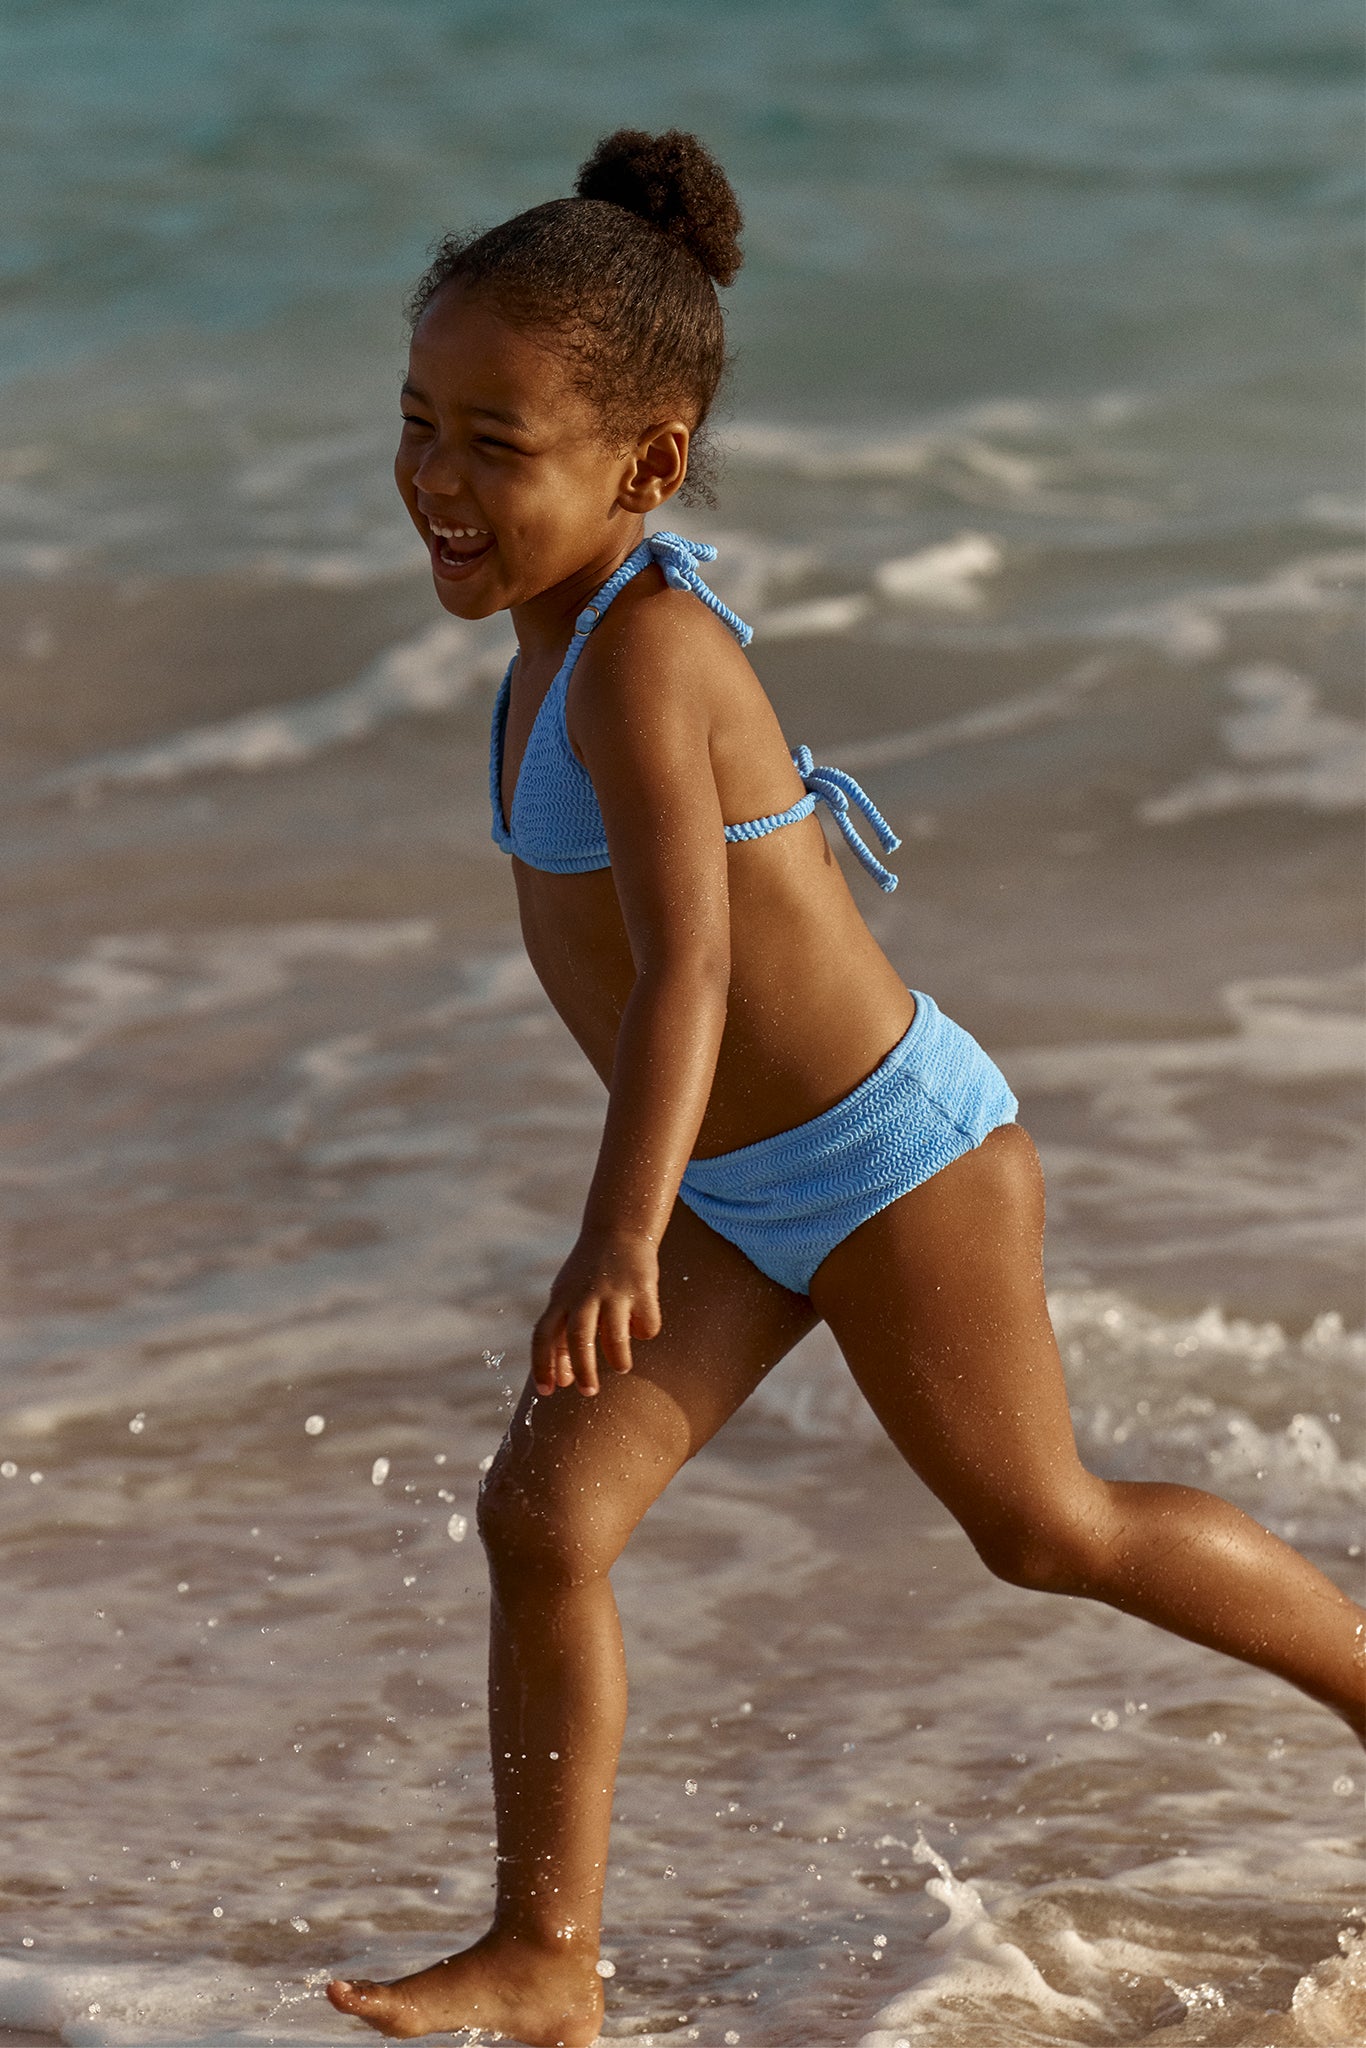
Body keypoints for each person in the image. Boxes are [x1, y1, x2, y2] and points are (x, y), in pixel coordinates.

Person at [326, 129, 1364, 2048]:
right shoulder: (545, 639)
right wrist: (672, 1204)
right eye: (417, 422)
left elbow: (695, 972)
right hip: (741, 1185)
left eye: (496, 444)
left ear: (640, 466)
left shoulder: (645, 656)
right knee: (547, 1518)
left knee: (1043, 1526)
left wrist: (615, 1227)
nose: (436, 481)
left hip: (886, 1164)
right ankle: (546, 1961)